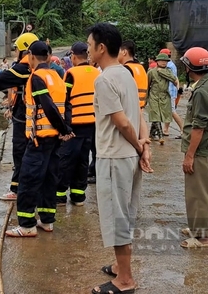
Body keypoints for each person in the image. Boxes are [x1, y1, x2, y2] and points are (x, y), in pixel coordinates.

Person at [87, 23, 152, 294]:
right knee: (126, 213)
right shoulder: (126, 73)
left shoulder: (104, 79)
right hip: (129, 156)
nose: (88, 50)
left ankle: (125, 280)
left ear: (102, 48)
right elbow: (139, 115)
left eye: (90, 46)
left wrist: (139, 147)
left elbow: (123, 122)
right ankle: (119, 265)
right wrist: (144, 147)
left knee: (117, 218)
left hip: (115, 157)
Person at [5, 41, 74, 237]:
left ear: (32, 57)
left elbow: (49, 106)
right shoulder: (57, 76)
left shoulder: (37, 77)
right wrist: (65, 129)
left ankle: (26, 225)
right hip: (54, 140)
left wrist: (63, 128)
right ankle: (47, 221)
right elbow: (66, 105)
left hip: (39, 139)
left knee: (28, 180)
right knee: (49, 179)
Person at [0, 33, 39, 201]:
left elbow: (2, 79)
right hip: (35, 116)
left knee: (20, 152)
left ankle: (17, 189)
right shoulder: (44, 67)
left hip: (24, 116)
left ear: (25, 50)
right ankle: (29, 186)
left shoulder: (24, 69)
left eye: (17, 48)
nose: (15, 51)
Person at [179, 47, 208, 249]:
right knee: (202, 190)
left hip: (201, 149)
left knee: (198, 193)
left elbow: (199, 127)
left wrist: (189, 155)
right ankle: (198, 228)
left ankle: (202, 237)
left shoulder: (202, 91)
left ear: (189, 67)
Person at [56, 42, 100, 206]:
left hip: (73, 125)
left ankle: (59, 196)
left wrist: (62, 127)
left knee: (65, 160)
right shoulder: (97, 72)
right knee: (83, 160)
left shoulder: (70, 74)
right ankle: (78, 196)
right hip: (92, 124)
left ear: (73, 56)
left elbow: (63, 99)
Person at [146, 54, 178, 141]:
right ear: (157, 61)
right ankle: (160, 137)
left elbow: (174, 79)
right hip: (154, 95)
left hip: (164, 96)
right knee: (156, 115)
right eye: (162, 61)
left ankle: (151, 135)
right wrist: (145, 99)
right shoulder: (151, 72)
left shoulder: (168, 71)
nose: (164, 63)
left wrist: (162, 72)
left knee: (159, 116)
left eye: (166, 61)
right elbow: (147, 86)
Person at [160, 49, 184, 138]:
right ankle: (165, 129)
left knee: (172, 111)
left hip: (169, 92)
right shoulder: (171, 64)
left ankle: (183, 129)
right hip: (172, 91)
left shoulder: (168, 66)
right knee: (169, 111)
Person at [118, 40, 149, 111]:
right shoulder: (141, 67)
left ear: (124, 52)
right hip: (140, 108)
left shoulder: (126, 69)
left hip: (129, 108)